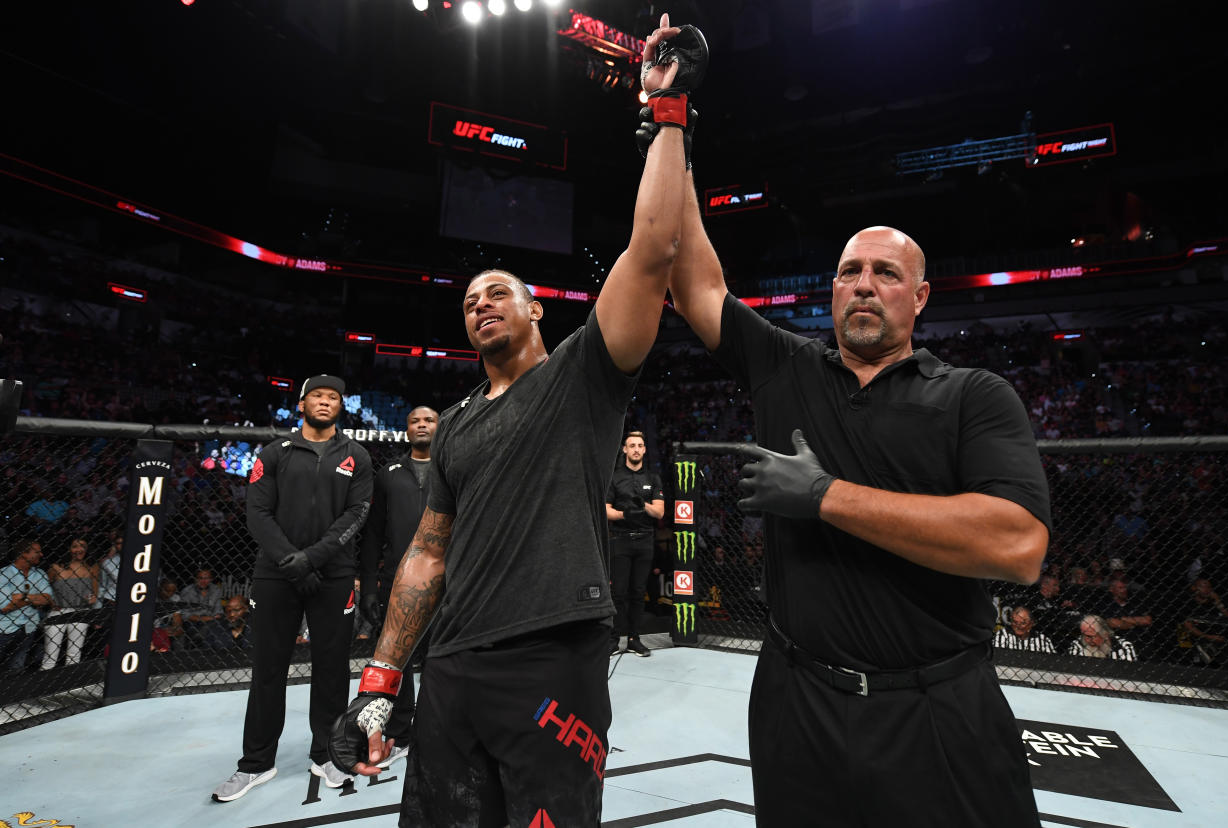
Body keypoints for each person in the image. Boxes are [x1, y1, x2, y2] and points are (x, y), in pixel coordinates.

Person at [328, 17, 703, 827]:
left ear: (537, 310)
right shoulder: (456, 423)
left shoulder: (581, 377)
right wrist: (381, 681)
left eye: (497, 291)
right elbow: (428, 552)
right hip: (453, 662)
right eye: (469, 301)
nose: (480, 304)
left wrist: (665, 118)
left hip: (553, 659)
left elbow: (652, 251)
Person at [669, 200, 1051, 820]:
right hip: (796, 699)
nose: (864, 285)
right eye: (850, 271)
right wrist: (672, 133)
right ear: (834, 290)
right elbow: (692, 286)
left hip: (937, 707)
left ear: (921, 296)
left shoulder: (972, 395)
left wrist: (823, 497)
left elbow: (1018, 547)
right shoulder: (787, 367)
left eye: (886, 273)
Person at [211, 374, 374, 802]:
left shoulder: (357, 455)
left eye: (333, 397)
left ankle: (327, 754)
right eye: (317, 396)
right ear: (301, 403)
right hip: (275, 575)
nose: (325, 402)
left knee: (332, 671)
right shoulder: (274, 452)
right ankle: (256, 763)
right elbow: (257, 514)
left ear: (342, 405)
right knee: (268, 669)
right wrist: (293, 562)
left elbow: (357, 514)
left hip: (334, 575)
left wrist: (313, 559)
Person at [358, 405, 439, 767]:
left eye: (429, 420)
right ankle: (401, 733)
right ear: (406, 429)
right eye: (415, 421)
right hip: (397, 579)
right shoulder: (388, 473)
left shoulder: (451, 468)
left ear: (439, 427)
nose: (422, 425)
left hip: (446, 578)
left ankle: (440, 731)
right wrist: (371, 588)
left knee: (443, 658)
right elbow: (372, 533)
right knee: (400, 661)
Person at [605, 430, 664, 656]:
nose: (636, 449)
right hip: (620, 540)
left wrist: (643, 505)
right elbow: (605, 510)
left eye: (640, 445)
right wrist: (624, 515)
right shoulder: (615, 477)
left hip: (645, 540)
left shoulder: (653, 478)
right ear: (625, 449)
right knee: (618, 593)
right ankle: (614, 639)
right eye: (632, 445)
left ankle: (634, 639)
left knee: (638, 592)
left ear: (644, 449)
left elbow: (659, 512)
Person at [41, 537, 98, 669]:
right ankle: (44, 688)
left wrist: (92, 600)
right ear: (68, 549)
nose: (79, 549)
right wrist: (50, 602)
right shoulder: (56, 567)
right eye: (75, 546)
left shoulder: (92, 567)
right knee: (50, 656)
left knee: (74, 655)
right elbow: (44, 588)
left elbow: (95, 592)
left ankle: (69, 687)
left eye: (82, 545)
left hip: (81, 611)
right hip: (58, 611)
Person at [0, 541, 53, 673]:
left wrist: (22, 597)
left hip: (28, 627)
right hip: (4, 628)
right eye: (37, 551)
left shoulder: (40, 573)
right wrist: (34, 598)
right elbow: (5, 606)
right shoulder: (3, 574)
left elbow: (47, 598)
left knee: (16, 668)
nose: (41, 554)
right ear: (24, 554)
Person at [178, 568, 224, 647]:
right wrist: (202, 619)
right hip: (192, 621)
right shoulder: (187, 591)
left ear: (211, 579)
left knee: (215, 625)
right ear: (195, 579)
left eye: (206, 578)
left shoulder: (216, 590)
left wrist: (212, 618)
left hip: (211, 621)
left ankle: (199, 641)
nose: (203, 581)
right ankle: (199, 642)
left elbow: (218, 612)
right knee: (196, 628)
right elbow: (185, 615)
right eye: (200, 578)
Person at [1069, 614, 1138, 660]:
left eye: (1091, 636)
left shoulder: (1124, 646)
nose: (1087, 640)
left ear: (1105, 634)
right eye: (1084, 635)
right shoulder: (1077, 645)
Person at [993, 606, 1057, 653]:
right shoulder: (1003, 635)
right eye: (1015, 622)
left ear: (1032, 624)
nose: (1018, 626)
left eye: (1023, 623)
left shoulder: (1043, 640)